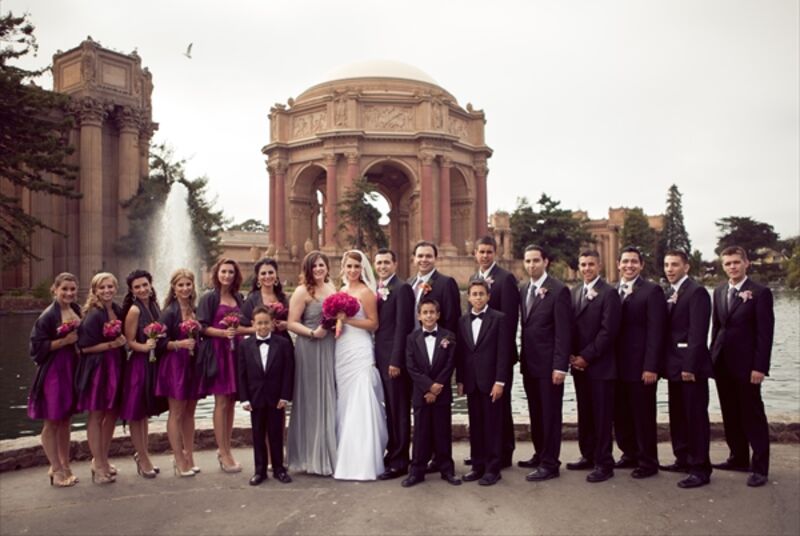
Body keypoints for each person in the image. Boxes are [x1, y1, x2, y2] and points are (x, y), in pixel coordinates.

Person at [711, 246, 774, 487]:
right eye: (727, 263)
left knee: (752, 414)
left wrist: (760, 367)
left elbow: (765, 334)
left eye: (736, 262)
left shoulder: (760, 293)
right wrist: (711, 358)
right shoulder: (719, 291)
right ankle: (738, 457)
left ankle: (760, 468)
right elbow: (717, 328)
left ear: (746, 263)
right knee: (730, 413)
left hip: (748, 366)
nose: (732, 267)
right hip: (722, 364)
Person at [518, 245, 572, 482]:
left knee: (550, 415)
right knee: (536, 412)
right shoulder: (523, 289)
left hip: (550, 366)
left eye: (536, 260)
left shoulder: (559, 290)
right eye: (528, 261)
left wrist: (560, 366)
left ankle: (550, 463)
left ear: (545, 262)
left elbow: (563, 332)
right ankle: (540, 453)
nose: (531, 265)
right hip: (530, 364)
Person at [333, 250, 388, 481]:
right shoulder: (341, 291)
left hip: (360, 348)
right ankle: (344, 454)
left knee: (361, 397)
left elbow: (374, 324)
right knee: (345, 401)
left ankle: (363, 460)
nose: (353, 270)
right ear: (343, 268)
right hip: (342, 348)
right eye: (349, 266)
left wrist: (348, 320)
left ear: (362, 268)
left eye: (357, 266)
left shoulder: (366, 292)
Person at [613, 246, 666, 479]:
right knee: (621, 413)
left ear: (641, 265)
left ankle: (648, 461)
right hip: (617, 366)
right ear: (618, 264)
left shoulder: (652, 291)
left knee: (643, 415)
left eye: (634, 261)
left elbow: (656, 331)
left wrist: (651, 366)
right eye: (625, 261)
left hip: (642, 366)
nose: (629, 265)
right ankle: (629, 453)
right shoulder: (613, 291)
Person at [568, 250, 621, 483]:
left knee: (601, 416)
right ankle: (588, 455)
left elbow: (609, 331)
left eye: (591, 264)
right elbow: (570, 326)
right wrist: (571, 355)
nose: (586, 268)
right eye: (583, 264)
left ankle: (604, 462)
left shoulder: (609, 293)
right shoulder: (575, 292)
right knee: (585, 412)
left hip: (601, 365)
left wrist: (586, 356)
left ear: (599, 266)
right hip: (579, 365)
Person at [662, 249, 713, 489]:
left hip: (691, 367)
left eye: (674, 264)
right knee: (678, 415)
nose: (669, 269)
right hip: (673, 366)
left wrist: (690, 366)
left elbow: (697, 333)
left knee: (695, 418)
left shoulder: (696, 292)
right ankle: (682, 458)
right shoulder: (669, 292)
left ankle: (700, 468)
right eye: (667, 265)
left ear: (686, 267)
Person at [27, 272, 82, 488]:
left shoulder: (76, 309)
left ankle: (65, 465)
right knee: (52, 420)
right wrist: (64, 341)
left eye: (72, 289)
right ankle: (56, 470)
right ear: (55, 290)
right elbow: (36, 348)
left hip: (71, 370)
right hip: (54, 372)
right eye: (64, 289)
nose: (69, 293)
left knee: (65, 419)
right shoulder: (48, 316)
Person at [286, 251, 337, 475]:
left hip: (330, 346)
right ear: (308, 269)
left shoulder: (332, 287)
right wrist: (313, 333)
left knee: (329, 395)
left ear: (327, 267)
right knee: (312, 399)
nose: (318, 269)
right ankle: (309, 456)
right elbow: (291, 323)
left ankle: (328, 453)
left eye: (321, 265)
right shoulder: (302, 291)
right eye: (314, 266)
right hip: (310, 347)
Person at [401, 298, 461, 487]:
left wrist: (437, 387)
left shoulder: (448, 336)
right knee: (420, 433)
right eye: (425, 312)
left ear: (438, 315)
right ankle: (417, 471)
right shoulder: (411, 338)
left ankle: (447, 469)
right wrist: (428, 387)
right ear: (419, 316)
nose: (429, 316)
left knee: (443, 432)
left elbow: (450, 364)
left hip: (442, 392)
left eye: (432, 312)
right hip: (421, 393)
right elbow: (411, 367)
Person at [456, 279, 511, 486]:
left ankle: (493, 468)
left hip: (491, 382)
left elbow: (504, 354)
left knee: (493, 426)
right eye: (474, 294)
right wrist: (460, 380)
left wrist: (500, 382)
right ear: (469, 298)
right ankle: (477, 465)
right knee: (476, 425)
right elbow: (462, 354)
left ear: (488, 296)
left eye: (481, 294)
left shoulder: (499, 319)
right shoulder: (463, 321)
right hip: (471, 382)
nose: (478, 298)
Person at [471, 236, 519, 468]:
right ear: (475, 253)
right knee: (483, 408)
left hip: (499, 355)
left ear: (495, 253)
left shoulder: (505, 278)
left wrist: (504, 356)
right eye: (481, 251)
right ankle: (485, 451)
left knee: (501, 406)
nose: (485, 255)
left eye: (489, 252)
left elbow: (510, 321)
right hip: (480, 357)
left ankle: (503, 453)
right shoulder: (474, 278)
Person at [76, 272, 126, 484]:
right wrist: (112, 344)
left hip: (115, 366)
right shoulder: (94, 315)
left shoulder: (116, 309)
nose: (107, 291)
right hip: (98, 369)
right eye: (102, 287)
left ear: (115, 288)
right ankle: (98, 465)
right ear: (95, 291)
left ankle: (102, 459)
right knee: (97, 415)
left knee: (112, 413)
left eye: (110, 287)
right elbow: (84, 348)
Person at [197, 258, 246, 473]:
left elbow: (245, 323)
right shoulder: (209, 298)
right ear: (217, 273)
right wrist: (223, 333)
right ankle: (223, 451)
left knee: (232, 401)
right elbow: (201, 327)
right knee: (221, 402)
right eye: (223, 271)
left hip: (236, 352)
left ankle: (226, 447)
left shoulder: (238, 297)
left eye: (231, 272)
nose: (227, 275)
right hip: (219, 352)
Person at [238, 305, 294, 486]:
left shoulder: (283, 344)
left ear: (272, 323)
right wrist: (244, 398)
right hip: (256, 397)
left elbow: (288, 371)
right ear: (253, 324)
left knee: (276, 433)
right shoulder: (245, 345)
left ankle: (279, 469)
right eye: (259, 323)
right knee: (257, 434)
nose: (263, 326)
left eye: (266, 323)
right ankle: (259, 471)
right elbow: (241, 374)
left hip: (276, 397)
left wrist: (285, 396)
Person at [373, 248, 415, 480]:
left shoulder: (402, 288)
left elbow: (403, 327)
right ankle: (392, 453)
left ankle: (400, 461)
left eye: (386, 262)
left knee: (399, 410)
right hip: (380, 358)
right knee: (389, 408)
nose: (382, 266)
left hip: (394, 361)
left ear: (395, 264)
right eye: (379, 263)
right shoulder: (378, 289)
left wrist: (396, 360)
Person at [156, 269, 202, 477]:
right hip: (175, 366)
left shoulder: (194, 310)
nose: (185, 288)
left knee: (190, 413)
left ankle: (189, 455)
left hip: (192, 364)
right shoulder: (169, 312)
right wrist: (179, 344)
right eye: (180, 285)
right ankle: (178, 459)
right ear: (174, 288)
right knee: (176, 413)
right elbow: (159, 343)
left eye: (188, 284)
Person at [121, 269, 166, 479]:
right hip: (138, 366)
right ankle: (143, 457)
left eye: (145, 285)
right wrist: (145, 347)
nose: (142, 289)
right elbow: (129, 342)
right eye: (137, 287)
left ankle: (143, 454)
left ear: (150, 284)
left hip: (152, 365)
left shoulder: (155, 306)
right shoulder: (134, 311)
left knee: (144, 414)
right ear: (131, 290)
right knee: (136, 413)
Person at [407, 241, 460, 334]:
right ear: (414, 258)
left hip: (437, 339)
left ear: (435, 259)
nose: (424, 259)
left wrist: (447, 340)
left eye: (428, 256)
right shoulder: (409, 283)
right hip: (411, 340)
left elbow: (452, 319)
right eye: (420, 256)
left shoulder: (446, 283)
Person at [241, 258, 291, 344]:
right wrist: (262, 328)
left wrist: (286, 325)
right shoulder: (252, 299)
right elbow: (240, 328)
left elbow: (294, 321)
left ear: (276, 275)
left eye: (271, 272)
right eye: (263, 273)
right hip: (259, 344)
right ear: (258, 278)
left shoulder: (283, 298)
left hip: (283, 344)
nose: (267, 276)